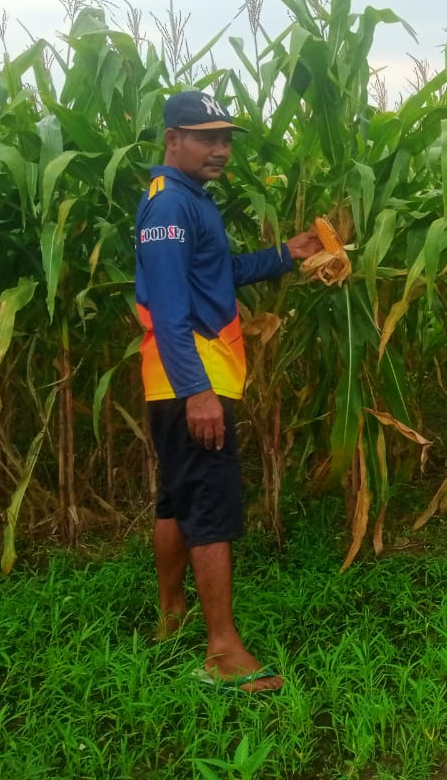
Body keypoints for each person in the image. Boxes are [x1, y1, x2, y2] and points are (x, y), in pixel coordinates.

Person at [135, 90, 322, 692]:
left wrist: (284, 255)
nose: (219, 150)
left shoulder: (189, 198)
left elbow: (216, 274)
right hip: (193, 374)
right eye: (205, 138)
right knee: (210, 508)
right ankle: (222, 653)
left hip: (183, 376)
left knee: (177, 499)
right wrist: (198, 392)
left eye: (225, 139)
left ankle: (171, 615)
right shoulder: (169, 206)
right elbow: (170, 306)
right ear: (173, 139)